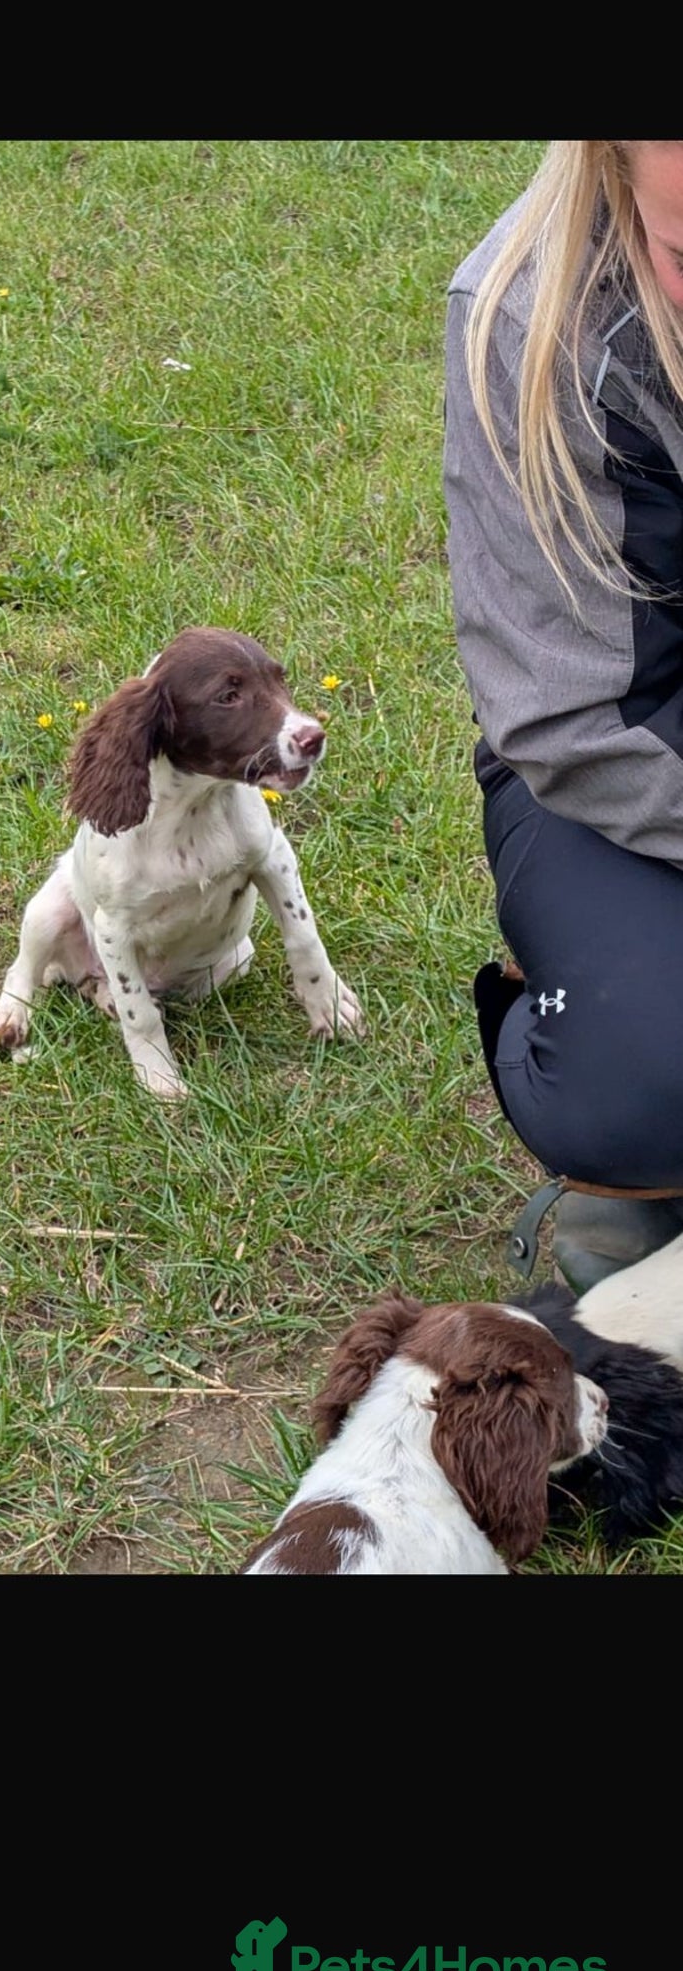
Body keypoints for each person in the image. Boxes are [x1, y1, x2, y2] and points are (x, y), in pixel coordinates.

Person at [444, 141, 683, 1289]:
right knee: (639, 1082)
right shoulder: (527, 319)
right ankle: (633, 1159)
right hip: (614, 768)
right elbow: (574, 719)